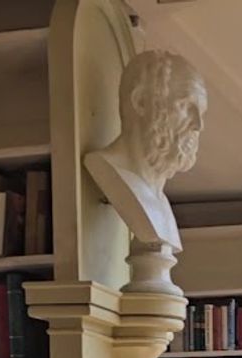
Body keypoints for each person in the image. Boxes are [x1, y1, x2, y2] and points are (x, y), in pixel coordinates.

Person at [85, 50, 207, 255]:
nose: (198, 125)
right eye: (186, 106)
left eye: (201, 113)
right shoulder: (107, 168)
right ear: (141, 101)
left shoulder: (161, 206)